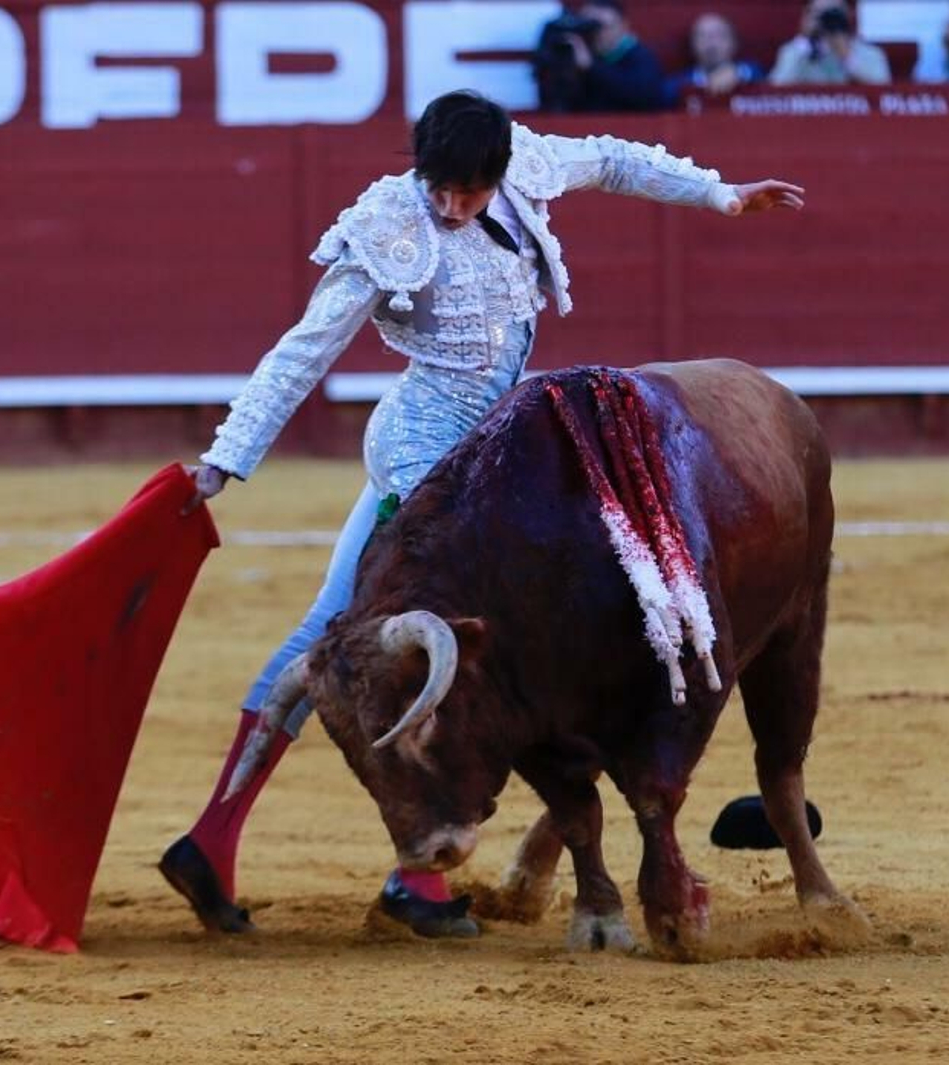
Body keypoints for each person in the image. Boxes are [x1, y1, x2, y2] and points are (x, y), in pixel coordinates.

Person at [159, 90, 805, 939]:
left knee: (412, 640)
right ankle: (363, 866)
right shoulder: (390, 226)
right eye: (438, 187)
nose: (449, 206)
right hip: (425, 462)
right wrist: (228, 456)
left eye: (466, 192)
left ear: (498, 173)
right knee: (372, 636)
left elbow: (613, 158)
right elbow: (304, 348)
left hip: (496, 454)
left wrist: (718, 195)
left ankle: (255, 844)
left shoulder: (527, 163)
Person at [534, 0, 668, 112]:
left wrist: (591, 67)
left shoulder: (640, 56)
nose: (595, 33)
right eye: (589, 25)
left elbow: (643, 96)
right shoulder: (575, 52)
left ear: (623, 26)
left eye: (601, 26)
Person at [769, 0, 890, 86]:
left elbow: (884, 93)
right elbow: (775, 90)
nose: (828, 20)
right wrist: (805, 41)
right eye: (820, 14)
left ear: (848, 14)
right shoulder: (792, 52)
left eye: (833, 13)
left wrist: (847, 57)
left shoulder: (871, 54)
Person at [662, 12, 765, 109]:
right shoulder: (677, 85)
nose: (711, 43)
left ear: (733, 43)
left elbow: (761, 76)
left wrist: (737, 72)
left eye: (719, 35)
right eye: (702, 36)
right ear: (692, 45)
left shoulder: (750, 71)